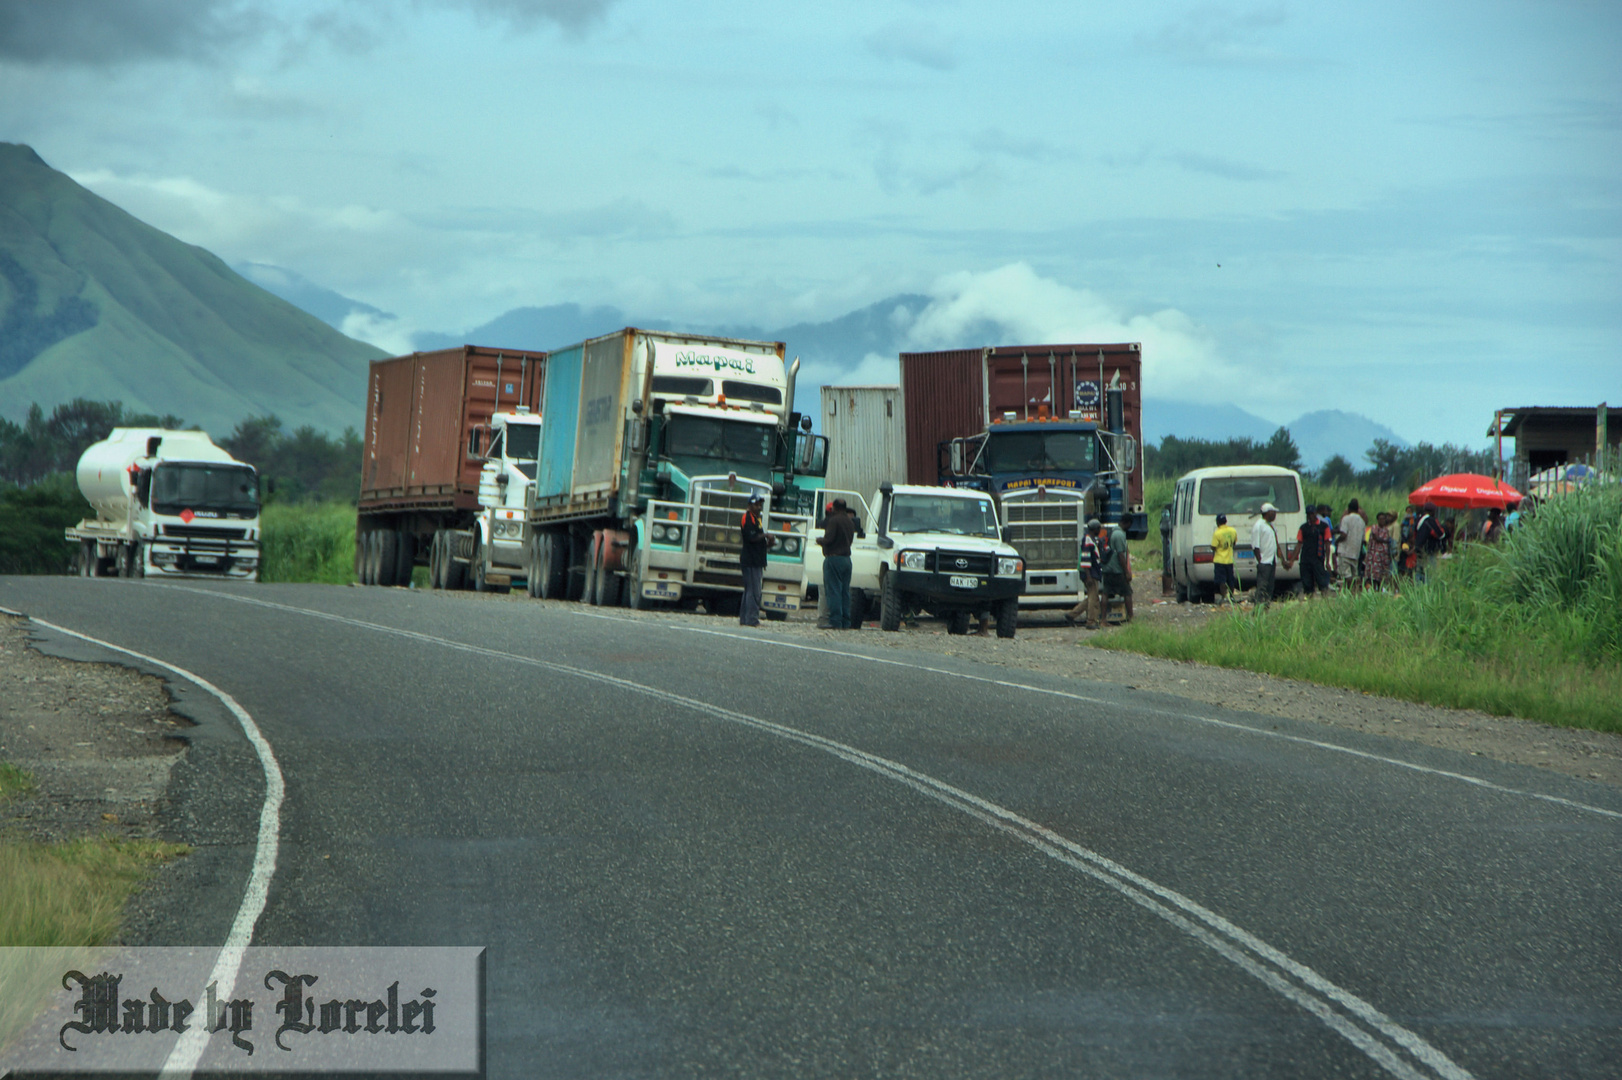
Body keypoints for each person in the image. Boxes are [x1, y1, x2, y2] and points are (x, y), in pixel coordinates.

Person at [818, 498, 857, 629]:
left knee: (833, 590)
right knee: (845, 592)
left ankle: (835, 621)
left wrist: (820, 540)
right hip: (847, 559)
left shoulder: (834, 520)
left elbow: (829, 539)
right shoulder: (850, 522)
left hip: (834, 559)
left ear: (834, 508)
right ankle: (846, 621)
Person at [1066, 519, 1104, 629]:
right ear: (1095, 529)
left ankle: (1071, 615)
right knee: (1093, 598)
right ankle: (1091, 621)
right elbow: (1085, 559)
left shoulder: (1091, 539)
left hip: (1091, 572)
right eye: (1099, 528)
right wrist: (1089, 576)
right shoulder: (1087, 540)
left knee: (1092, 597)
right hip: (1090, 573)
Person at [738, 494, 767, 627]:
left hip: (756, 559)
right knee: (754, 591)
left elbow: (758, 540)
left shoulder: (756, 519)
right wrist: (765, 535)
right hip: (750, 560)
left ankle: (745, 619)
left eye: (760, 505)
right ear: (750, 505)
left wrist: (768, 541)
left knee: (749, 590)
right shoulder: (747, 518)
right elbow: (751, 537)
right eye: (756, 504)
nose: (759, 507)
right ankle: (751, 619)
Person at [1288, 506, 1330, 596]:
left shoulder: (1324, 527)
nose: (1310, 516)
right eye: (1308, 514)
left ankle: (1325, 602)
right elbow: (1299, 544)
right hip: (1305, 560)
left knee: (1322, 583)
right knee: (1307, 585)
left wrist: (1327, 561)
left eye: (1312, 514)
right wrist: (1292, 560)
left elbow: (1327, 544)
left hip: (1318, 559)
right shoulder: (1303, 528)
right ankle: (1310, 602)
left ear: (1315, 514)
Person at [1098, 519, 1133, 623]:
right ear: (1126, 523)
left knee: (1106, 593)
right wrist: (1126, 571)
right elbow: (1120, 555)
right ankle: (1131, 617)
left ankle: (1103, 619)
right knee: (1127, 592)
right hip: (1116, 570)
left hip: (1107, 569)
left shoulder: (1112, 531)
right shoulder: (1119, 535)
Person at [1251, 502, 1281, 606]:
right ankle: (1258, 607)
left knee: (1270, 586)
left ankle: (1266, 606)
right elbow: (1255, 546)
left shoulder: (1271, 526)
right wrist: (1260, 561)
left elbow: (1276, 543)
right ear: (1268, 513)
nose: (1275, 515)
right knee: (1262, 586)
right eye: (1273, 512)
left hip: (1272, 561)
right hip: (1264, 562)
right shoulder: (1258, 525)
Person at [1336, 499, 1366, 593]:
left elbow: (1344, 534)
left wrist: (1337, 541)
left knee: (1346, 575)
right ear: (1357, 510)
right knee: (1354, 575)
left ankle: (1350, 593)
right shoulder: (1362, 521)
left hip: (1345, 551)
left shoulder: (1346, 519)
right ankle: (1356, 592)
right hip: (1355, 552)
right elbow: (1363, 540)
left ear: (1348, 509)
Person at [1415, 501, 1446, 582]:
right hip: (1430, 551)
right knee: (1430, 573)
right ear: (1433, 511)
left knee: (1419, 572)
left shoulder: (1418, 519)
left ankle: (1417, 590)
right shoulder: (1432, 520)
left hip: (1419, 550)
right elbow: (1441, 534)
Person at [1211, 513, 1238, 604]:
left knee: (1221, 580)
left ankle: (1224, 597)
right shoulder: (1232, 531)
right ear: (1226, 521)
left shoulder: (1217, 533)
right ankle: (1232, 596)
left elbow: (1214, 546)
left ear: (1217, 522)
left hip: (1220, 560)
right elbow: (1234, 543)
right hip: (1229, 560)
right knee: (1230, 579)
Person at [1364, 511, 1393, 589]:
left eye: (1383, 519)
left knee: (1381, 574)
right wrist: (1386, 541)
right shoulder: (1374, 528)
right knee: (1372, 573)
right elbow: (1377, 538)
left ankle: (1379, 589)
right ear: (1377, 520)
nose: (1382, 521)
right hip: (1374, 554)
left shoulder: (1386, 529)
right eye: (1380, 519)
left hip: (1382, 555)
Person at [1159, 502, 1174, 596]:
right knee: (1168, 568)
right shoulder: (1167, 519)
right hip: (1168, 544)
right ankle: (1167, 590)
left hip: (1168, 544)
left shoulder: (1164, 518)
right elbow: (1166, 530)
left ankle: (1168, 589)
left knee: (1168, 567)